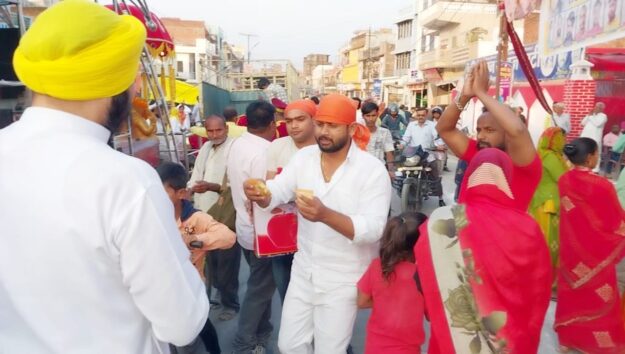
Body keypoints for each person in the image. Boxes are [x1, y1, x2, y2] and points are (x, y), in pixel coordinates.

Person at [0, 1, 209, 352]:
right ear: (113, 80)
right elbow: (181, 323)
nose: (139, 90)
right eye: (135, 77)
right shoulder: (126, 181)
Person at [244, 93, 392, 354]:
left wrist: (326, 215)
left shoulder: (372, 170)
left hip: (343, 277)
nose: (324, 131)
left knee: (330, 350)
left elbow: (374, 229)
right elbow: (278, 190)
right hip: (304, 270)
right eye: (321, 123)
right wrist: (261, 193)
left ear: (351, 128)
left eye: (332, 126)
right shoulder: (305, 158)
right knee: (289, 345)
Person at [416, 149, 552, 354]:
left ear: (469, 177)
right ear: (507, 179)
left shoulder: (443, 220)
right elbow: (539, 288)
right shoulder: (528, 227)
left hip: (454, 339)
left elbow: (425, 279)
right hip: (510, 338)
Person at [437, 61, 542, 211]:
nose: (480, 136)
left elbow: (518, 130)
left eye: (489, 130)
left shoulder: (523, 162)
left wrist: (481, 93)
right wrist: (465, 96)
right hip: (468, 231)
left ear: (507, 133)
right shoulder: (479, 153)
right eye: (479, 130)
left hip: (505, 233)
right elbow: (444, 129)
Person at [157, 162, 236, 354]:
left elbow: (228, 237)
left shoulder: (196, 219)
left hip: (190, 289)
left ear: (182, 193)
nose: (156, 197)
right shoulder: (151, 217)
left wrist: (195, 240)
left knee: (191, 335)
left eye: (163, 192)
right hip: (161, 290)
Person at [555, 137, 625, 353]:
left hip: (570, 252)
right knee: (600, 297)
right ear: (590, 157)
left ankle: (568, 340)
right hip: (596, 254)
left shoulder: (564, 180)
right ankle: (596, 343)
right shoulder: (602, 185)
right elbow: (615, 220)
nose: (598, 157)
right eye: (596, 154)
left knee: (571, 296)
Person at [226, 100, 277, 354]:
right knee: (259, 290)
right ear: (272, 124)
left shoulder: (238, 144)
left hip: (245, 228)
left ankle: (261, 333)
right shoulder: (264, 153)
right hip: (261, 232)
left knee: (262, 286)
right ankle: (244, 342)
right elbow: (265, 198)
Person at [187, 115, 241, 321]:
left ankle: (231, 303)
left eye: (218, 130)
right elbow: (196, 175)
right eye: (210, 131)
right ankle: (218, 296)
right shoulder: (206, 148)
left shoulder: (235, 148)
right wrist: (191, 190)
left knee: (227, 259)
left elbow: (236, 182)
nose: (215, 135)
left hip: (226, 211)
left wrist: (211, 186)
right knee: (209, 259)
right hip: (204, 210)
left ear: (226, 129)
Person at [265, 99, 317, 303]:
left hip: (315, 228)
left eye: (300, 119)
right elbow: (270, 183)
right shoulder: (277, 146)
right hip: (282, 229)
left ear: (314, 120)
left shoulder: (325, 148)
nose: (294, 125)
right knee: (285, 287)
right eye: (289, 121)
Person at [357, 212, 428, 354]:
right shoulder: (424, 275)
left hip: (374, 347)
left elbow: (361, 302)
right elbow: (431, 315)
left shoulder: (377, 266)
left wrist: (385, 299)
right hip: (408, 349)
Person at [529, 127, 569, 279]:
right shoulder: (551, 157)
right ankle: (548, 279)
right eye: (561, 138)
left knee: (541, 240)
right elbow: (563, 178)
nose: (564, 142)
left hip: (540, 201)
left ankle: (538, 275)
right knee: (550, 242)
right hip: (549, 204)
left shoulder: (541, 154)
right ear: (554, 140)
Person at [403, 107, 446, 207]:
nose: (420, 117)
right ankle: (404, 189)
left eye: (422, 115)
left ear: (426, 115)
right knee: (402, 171)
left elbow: (438, 138)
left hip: (428, 154)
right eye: (418, 115)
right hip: (414, 155)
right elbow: (406, 138)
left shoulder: (432, 125)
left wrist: (439, 145)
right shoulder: (411, 125)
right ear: (415, 115)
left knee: (435, 176)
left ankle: (440, 198)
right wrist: (401, 144)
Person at [362, 101, 395, 168]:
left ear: (377, 115)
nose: (371, 119)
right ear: (363, 116)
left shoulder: (385, 132)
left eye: (373, 115)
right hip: (362, 169)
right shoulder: (357, 133)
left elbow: (389, 151)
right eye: (368, 116)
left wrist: (391, 170)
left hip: (379, 169)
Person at [581, 102, 608, 172]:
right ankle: (584, 166)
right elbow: (582, 123)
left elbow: (597, 124)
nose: (596, 108)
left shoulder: (603, 116)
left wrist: (590, 116)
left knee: (595, 153)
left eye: (599, 107)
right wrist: (588, 115)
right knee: (585, 152)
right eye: (596, 107)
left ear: (602, 109)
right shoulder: (591, 115)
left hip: (595, 138)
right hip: (585, 137)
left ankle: (595, 170)